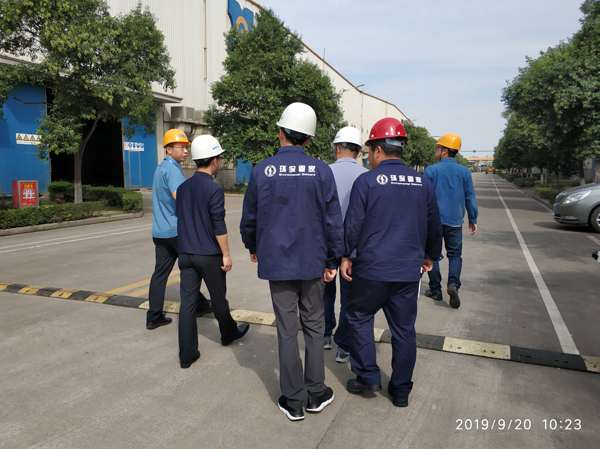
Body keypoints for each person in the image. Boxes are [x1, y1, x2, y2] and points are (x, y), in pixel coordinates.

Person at [240, 102, 344, 421]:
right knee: (314, 324)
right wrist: (332, 260)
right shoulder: (322, 171)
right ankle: (316, 392)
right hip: (313, 262)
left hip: (278, 262)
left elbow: (250, 218)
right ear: (309, 139)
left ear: (281, 132)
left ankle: (293, 399)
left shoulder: (262, 170)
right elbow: (333, 221)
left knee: (286, 328)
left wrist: (253, 246)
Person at [341, 117, 442, 408]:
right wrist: (430, 255)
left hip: (370, 269)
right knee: (403, 329)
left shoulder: (367, 181)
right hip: (407, 271)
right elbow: (433, 224)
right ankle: (400, 391)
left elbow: (353, 224)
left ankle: (367, 377)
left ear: (377, 150)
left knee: (359, 317)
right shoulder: (422, 182)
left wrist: (346, 255)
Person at [176, 135, 250, 369]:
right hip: (208, 255)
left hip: (185, 254)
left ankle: (187, 354)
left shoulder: (182, 188)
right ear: (214, 160)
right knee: (218, 298)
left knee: (187, 305)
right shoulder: (214, 189)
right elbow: (218, 224)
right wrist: (226, 254)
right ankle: (228, 334)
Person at [147, 129, 212, 330]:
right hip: (176, 231)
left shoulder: (160, 168)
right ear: (168, 149)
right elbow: (183, 199)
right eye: (181, 147)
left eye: (186, 148)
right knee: (193, 269)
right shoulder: (173, 171)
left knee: (160, 274)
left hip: (160, 232)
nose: (185, 151)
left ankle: (153, 316)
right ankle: (200, 304)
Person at [323, 126, 367, 364]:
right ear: (358, 152)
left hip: (326, 243)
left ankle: (325, 334)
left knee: (325, 291)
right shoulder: (367, 176)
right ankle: (344, 346)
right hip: (354, 246)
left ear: (337, 148)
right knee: (350, 297)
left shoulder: (324, 172)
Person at [423, 133, 478, 309]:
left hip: (433, 222)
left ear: (445, 150)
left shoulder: (430, 170)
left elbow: (423, 198)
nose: (436, 151)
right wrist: (472, 219)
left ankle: (435, 290)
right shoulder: (464, 172)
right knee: (455, 255)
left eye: (438, 148)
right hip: (455, 221)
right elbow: (470, 198)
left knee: (432, 255)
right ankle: (453, 284)